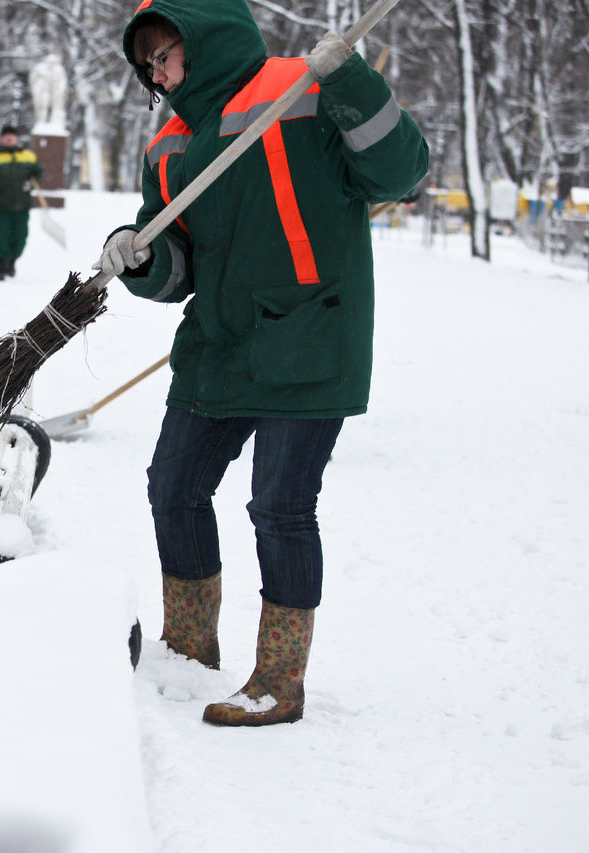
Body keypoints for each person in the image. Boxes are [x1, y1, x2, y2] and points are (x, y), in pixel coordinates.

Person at [96, 0, 427, 726]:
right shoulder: (170, 145)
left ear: (203, 36)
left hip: (312, 333)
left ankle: (280, 677)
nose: (158, 71)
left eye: (165, 52)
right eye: (147, 64)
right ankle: (187, 648)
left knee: (279, 506)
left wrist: (355, 84)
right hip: (220, 341)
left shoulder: (302, 89)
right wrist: (141, 256)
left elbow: (399, 171)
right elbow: (178, 265)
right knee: (173, 485)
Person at [0, 125, 42, 280]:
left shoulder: (28, 157)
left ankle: (12, 261)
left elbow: (38, 173)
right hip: (1, 206)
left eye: (12, 136)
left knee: (20, 237)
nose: (9, 138)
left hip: (22, 205)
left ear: (16, 138)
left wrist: (32, 183)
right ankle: (1, 266)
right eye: (6, 136)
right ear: (2, 139)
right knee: (0, 237)